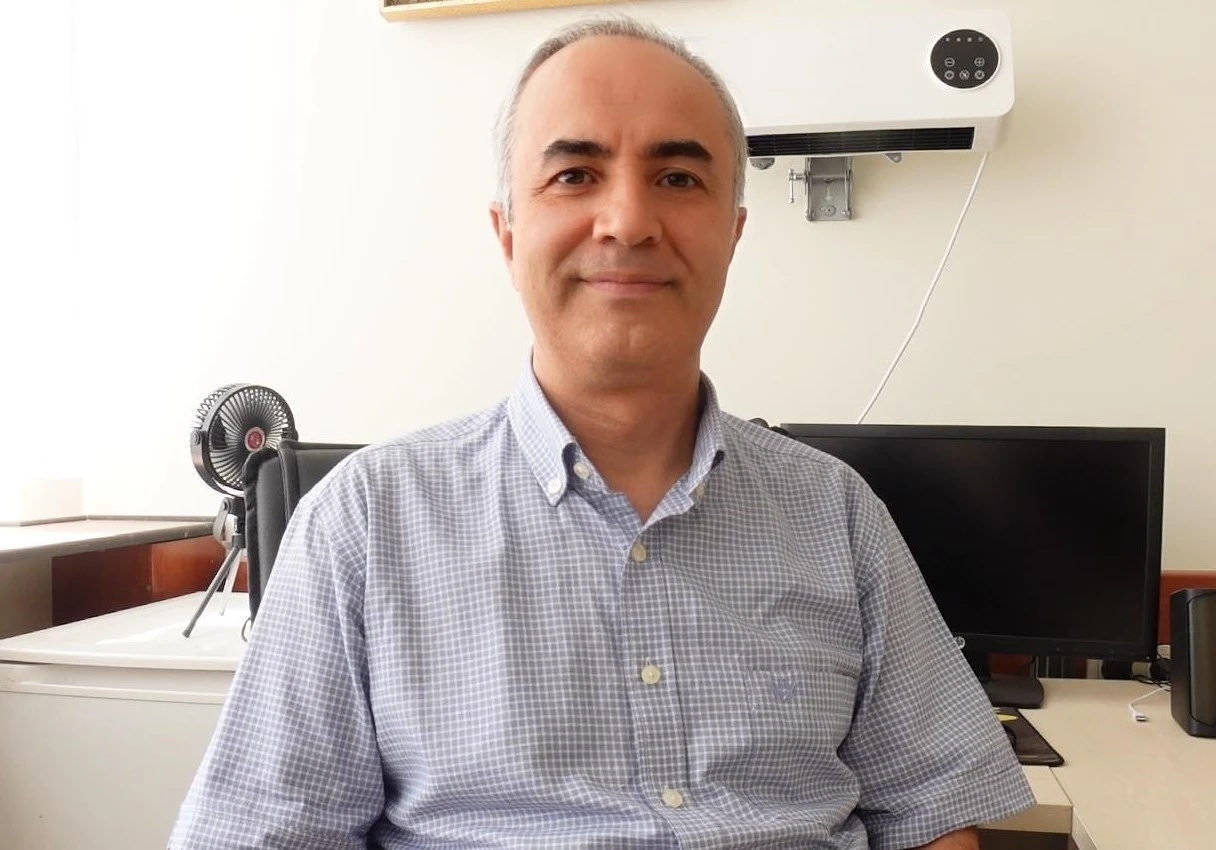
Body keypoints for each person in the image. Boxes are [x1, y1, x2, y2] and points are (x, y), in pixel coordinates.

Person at [171, 16, 1034, 850]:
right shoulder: (361, 525)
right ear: (508, 234)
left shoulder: (836, 514)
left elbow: (931, 813)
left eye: (678, 179)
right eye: (576, 175)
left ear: (733, 235)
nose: (627, 221)